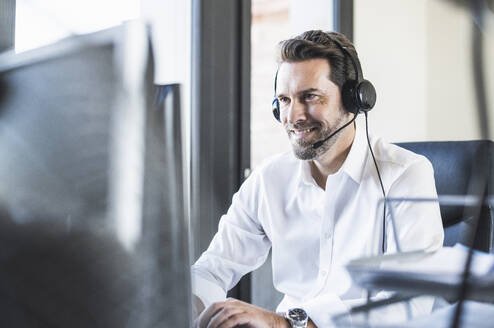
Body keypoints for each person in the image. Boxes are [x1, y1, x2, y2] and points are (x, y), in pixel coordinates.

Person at [192, 30, 444, 327]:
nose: (293, 115)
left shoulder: (405, 174)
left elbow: (411, 302)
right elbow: (212, 268)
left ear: (355, 100)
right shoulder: (269, 178)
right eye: (284, 100)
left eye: (309, 97)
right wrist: (190, 309)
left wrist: (286, 323)